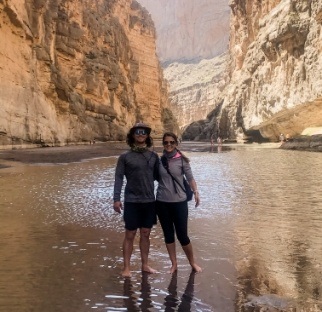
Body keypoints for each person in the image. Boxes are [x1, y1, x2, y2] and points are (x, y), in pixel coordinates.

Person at [113, 122, 159, 277]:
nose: (141, 134)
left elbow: (161, 177)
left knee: (145, 234)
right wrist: (116, 199)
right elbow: (118, 178)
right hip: (132, 201)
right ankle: (126, 268)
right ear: (132, 135)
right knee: (130, 234)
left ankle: (145, 265)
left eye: (144, 132)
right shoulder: (124, 157)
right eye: (138, 132)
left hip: (149, 201)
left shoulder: (153, 156)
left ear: (147, 135)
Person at [156, 132, 202, 274]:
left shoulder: (182, 160)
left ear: (176, 143)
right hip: (162, 202)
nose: (168, 145)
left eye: (171, 142)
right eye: (166, 142)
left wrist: (195, 192)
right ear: (163, 144)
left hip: (179, 202)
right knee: (168, 234)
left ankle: (192, 262)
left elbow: (190, 178)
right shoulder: (158, 161)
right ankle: (174, 264)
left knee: (182, 235)